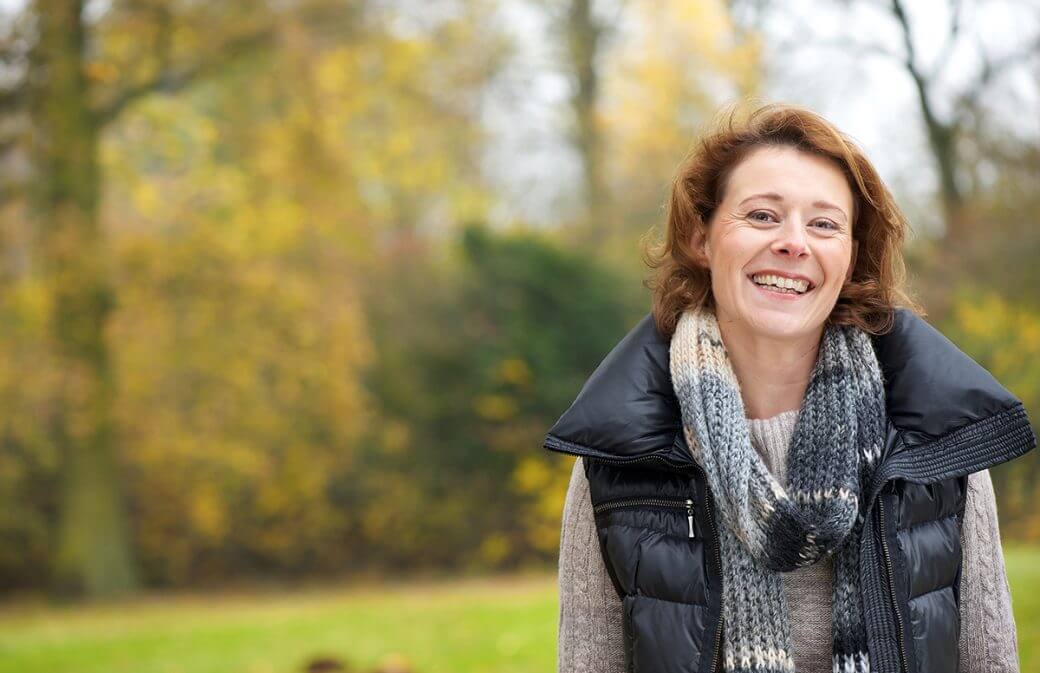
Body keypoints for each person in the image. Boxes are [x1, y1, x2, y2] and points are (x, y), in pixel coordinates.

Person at [543, 102, 1036, 673]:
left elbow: (990, 659)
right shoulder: (621, 454)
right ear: (701, 238)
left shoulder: (934, 435)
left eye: (825, 224)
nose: (794, 243)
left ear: (849, 259)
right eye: (761, 215)